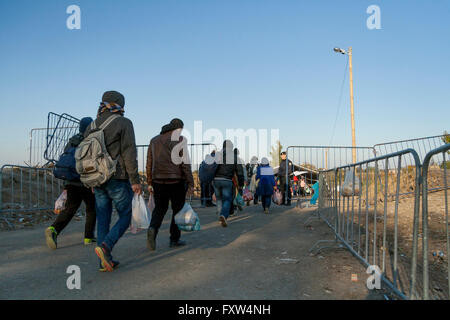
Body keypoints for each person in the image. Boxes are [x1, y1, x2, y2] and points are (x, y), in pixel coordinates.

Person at [86, 91, 141, 272]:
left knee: (103, 218)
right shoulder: (124, 122)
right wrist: (135, 180)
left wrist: (92, 180)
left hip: (97, 179)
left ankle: (104, 260)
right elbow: (129, 152)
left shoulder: (92, 125)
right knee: (126, 215)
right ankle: (106, 246)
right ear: (119, 104)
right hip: (117, 177)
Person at [45, 117, 96, 249]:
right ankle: (88, 237)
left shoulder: (72, 140)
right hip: (84, 181)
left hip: (70, 181)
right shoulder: (90, 141)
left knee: (69, 209)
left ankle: (54, 229)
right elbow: (90, 163)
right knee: (91, 209)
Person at [146, 118, 194, 251]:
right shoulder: (180, 140)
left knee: (159, 209)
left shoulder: (154, 140)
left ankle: (153, 229)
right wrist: (191, 182)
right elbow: (185, 164)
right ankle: (174, 239)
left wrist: (149, 181)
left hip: (158, 181)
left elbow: (149, 162)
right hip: (176, 181)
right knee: (177, 210)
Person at [213, 140, 245, 227]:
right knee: (227, 199)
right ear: (231, 147)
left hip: (216, 180)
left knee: (219, 198)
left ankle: (220, 215)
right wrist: (241, 183)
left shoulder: (218, 155)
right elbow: (240, 172)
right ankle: (223, 215)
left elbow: (212, 166)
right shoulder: (234, 157)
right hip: (227, 180)